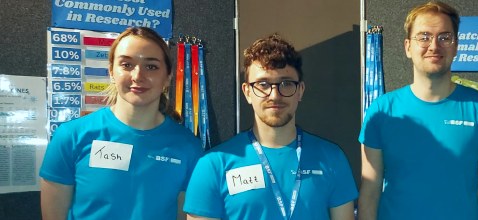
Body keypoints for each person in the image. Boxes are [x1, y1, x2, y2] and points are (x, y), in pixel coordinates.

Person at [358, 1, 478, 219]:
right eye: (423, 37)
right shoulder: (382, 111)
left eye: (444, 37)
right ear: (407, 47)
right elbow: (369, 194)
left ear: (456, 46)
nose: (434, 46)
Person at [183, 34, 357, 220]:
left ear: (300, 91)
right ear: (247, 92)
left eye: (286, 84)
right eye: (263, 84)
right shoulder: (213, 165)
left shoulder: (331, 158)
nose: (274, 95)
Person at [39, 27, 203, 220]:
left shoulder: (188, 147)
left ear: (167, 77)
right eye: (126, 65)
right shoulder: (71, 136)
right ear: (111, 72)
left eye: (151, 66)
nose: (137, 76)